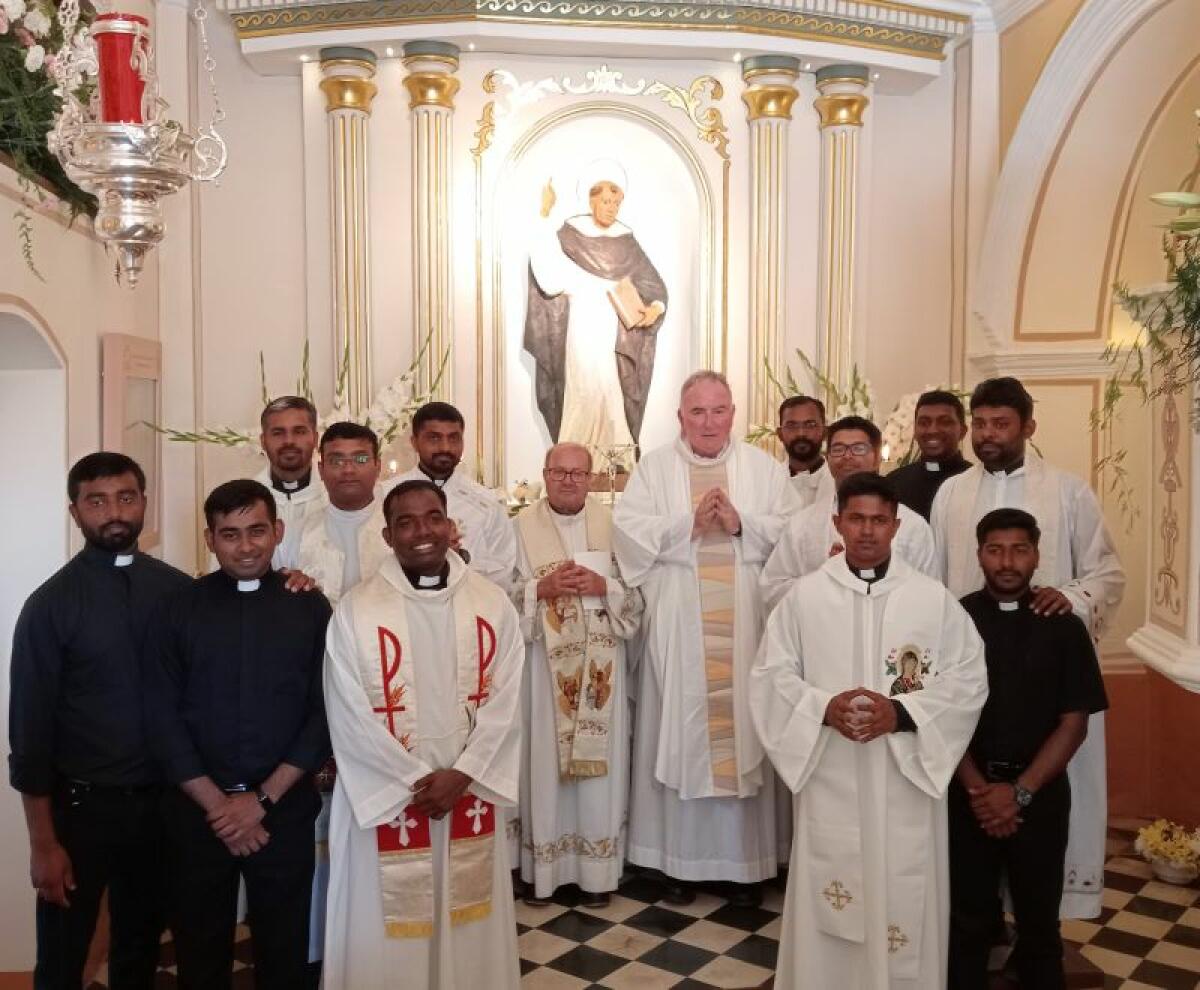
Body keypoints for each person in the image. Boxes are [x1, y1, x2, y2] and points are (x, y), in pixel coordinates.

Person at [750, 472, 988, 990]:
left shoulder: (932, 600)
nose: (867, 531)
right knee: (832, 893)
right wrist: (822, 706)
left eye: (879, 520)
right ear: (836, 522)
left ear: (896, 526)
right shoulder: (804, 598)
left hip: (904, 778)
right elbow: (770, 676)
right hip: (831, 770)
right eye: (855, 518)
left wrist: (902, 715)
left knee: (904, 891)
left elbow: (969, 680)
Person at [930, 376, 1124, 918]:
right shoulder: (952, 493)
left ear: (1028, 426)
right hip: (972, 669)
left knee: (1047, 811)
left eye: (1002, 423)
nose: (988, 435)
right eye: (982, 423)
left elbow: (1106, 572)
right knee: (970, 819)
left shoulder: (1067, 490)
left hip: (1046, 673)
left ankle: (1038, 929)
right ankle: (981, 923)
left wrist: (1072, 597)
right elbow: (935, 579)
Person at [321, 480, 524, 990]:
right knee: (387, 929)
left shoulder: (492, 603)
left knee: (467, 915)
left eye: (433, 517)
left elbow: (508, 701)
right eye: (406, 523)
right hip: (390, 794)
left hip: (467, 791)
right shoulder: (356, 610)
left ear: (450, 526)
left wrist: (466, 773)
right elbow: (347, 713)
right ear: (387, 536)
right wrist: (415, 780)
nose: (422, 532)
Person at [613, 371, 799, 905]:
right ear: (680, 417)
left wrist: (741, 523)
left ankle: (744, 866)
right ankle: (675, 862)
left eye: (718, 411)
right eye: (697, 412)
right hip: (678, 625)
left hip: (744, 625)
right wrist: (687, 525)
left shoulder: (763, 470)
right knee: (680, 726)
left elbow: (792, 535)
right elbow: (628, 532)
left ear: (733, 413)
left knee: (742, 724)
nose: (709, 422)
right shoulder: (653, 469)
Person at [8, 452, 191, 990]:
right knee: (63, 956)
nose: (114, 512)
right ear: (76, 512)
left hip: (161, 809)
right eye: (97, 500)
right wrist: (43, 843)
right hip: (80, 810)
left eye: (126, 497)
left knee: (140, 949)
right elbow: (30, 735)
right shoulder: (50, 606)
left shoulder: (180, 591)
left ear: (144, 504)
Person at [142, 480, 331, 990]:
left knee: (284, 950)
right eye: (230, 534)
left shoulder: (310, 607)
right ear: (209, 539)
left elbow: (324, 713)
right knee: (199, 950)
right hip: (197, 816)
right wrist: (220, 807)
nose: (245, 546)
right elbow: (161, 718)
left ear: (278, 531)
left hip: (283, 812)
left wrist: (261, 801)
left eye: (256, 531)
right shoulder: (178, 609)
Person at [949, 509, 1107, 990]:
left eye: (1019, 549)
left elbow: (1074, 722)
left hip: (1038, 798)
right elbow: (941, 717)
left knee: (1040, 927)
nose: (1007, 561)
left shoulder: (1063, 626)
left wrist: (1017, 794)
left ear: (1037, 555)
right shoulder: (956, 619)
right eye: (995, 549)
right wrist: (981, 792)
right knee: (967, 924)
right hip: (968, 796)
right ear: (979, 554)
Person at [512, 443, 644, 909]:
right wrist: (539, 589)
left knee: (597, 776)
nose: (568, 480)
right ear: (545, 474)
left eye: (577, 473)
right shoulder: (519, 528)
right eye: (559, 472)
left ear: (591, 478)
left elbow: (640, 596)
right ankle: (542, 872)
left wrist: (604, 585)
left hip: (601, 674)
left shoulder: (617, 527)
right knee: (543, 764)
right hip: (543, 676)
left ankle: (597, 872)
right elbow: (497, 597)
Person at [525, 160, 668, 448]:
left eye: (616, 202)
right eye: (605, 200)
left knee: (611, 391)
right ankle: (576, 455)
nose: (611, 207)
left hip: (615, 330)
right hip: (581, 325)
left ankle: (614, 460)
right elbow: (548, 270)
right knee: (583, 388)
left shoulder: (626, 241)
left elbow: (653, 286)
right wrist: (544, 214)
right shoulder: (569, 234)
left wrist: (655, 308)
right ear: (590, 200)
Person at [761, 416, 937, 612]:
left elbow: (930, 594)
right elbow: (772, 588)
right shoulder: (803, 524)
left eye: (858, 448)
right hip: (824, 631)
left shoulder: (912, 526)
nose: (847, 456)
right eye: (838, 449)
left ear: (878, 456)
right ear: (827, 459)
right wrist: (824, 579)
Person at [394, 402, 517, 592]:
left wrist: (461, 558)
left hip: (468, 607)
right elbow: (377, 559)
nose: (445, 447)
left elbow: (504, 569)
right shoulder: (389, 496)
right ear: (414, 442)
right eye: (434, 438)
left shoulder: (486, 502)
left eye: (454, 438)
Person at [296, 422, 391, 605]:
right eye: (336, 461)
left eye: (361, 459)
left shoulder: (400, 531)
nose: (348, 470)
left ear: (378, 466)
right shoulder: (298, 533)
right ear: (321, 470)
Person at [256, 396, 325, 569]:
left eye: (299, 431)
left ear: (316, 439)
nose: (289, 441)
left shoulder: (336, 497)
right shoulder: (244, 499)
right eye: (278, 433)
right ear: (263, 441)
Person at [885, 389, 971, 521]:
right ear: (914, 431)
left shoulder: (976, 480)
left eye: (944, 422)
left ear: (963, 431)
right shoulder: (893, 483)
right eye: (924, 423)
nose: (933, 430)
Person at [776, 394, 833, 509]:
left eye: (810, 425)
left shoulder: (837, 482)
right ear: (780, 434)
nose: (801, 433)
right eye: (791, 426)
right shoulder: (768, 482)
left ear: (825, 432)